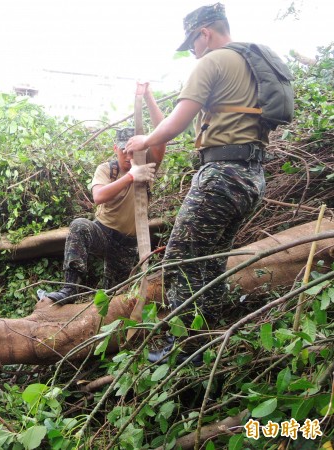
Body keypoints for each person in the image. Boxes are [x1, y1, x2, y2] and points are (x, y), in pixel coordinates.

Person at [124, 3, 268, 361]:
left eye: (192, 43)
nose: (192, 51)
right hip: (252, 177)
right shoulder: (250, 61)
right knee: (210, 260)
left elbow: (179, 123)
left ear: (205, 33)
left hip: (222, 175)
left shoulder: (213, 60)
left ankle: (182, 342)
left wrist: (144, 140)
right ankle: (212, 331)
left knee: (179, 260)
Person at [42, 84, 164, 305]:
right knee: (80, 225)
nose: (128, 156)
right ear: (115, 149)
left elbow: (162, 133)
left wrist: (149, 96)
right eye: (123, 151)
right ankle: (71, 288)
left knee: (114, 297)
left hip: (128, 242)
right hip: (103, 231)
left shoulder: (148, 165)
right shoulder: (107, 169)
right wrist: (130, 177)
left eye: (133, 151)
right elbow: (98, 197)